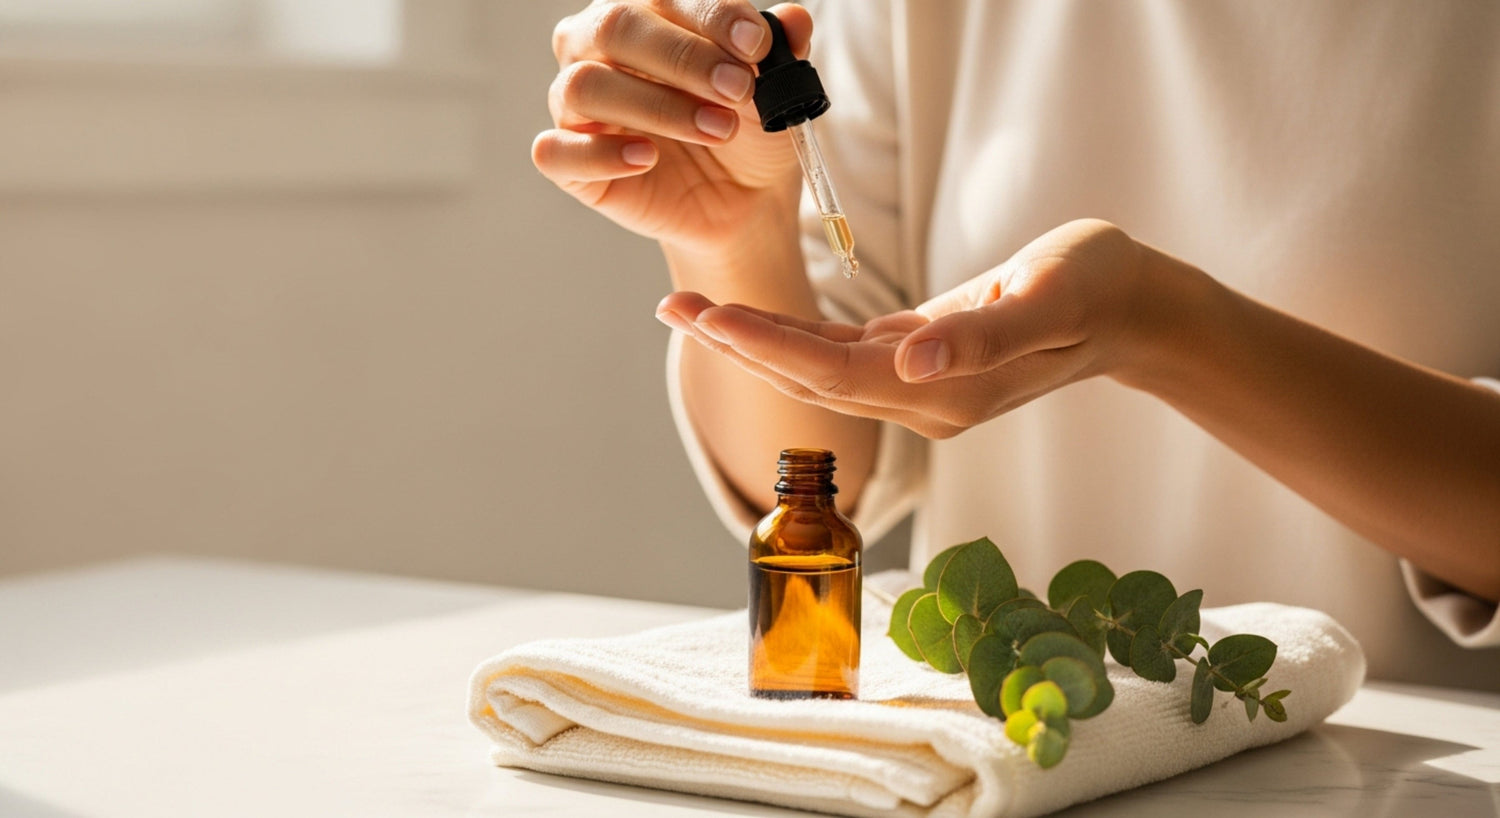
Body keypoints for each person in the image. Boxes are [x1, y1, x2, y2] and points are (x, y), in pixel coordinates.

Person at [536, 0, 1500, 687]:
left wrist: (1166, 330)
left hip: (1404, 769)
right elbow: (823, 463)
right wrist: (738, 241)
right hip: (1006, 758)